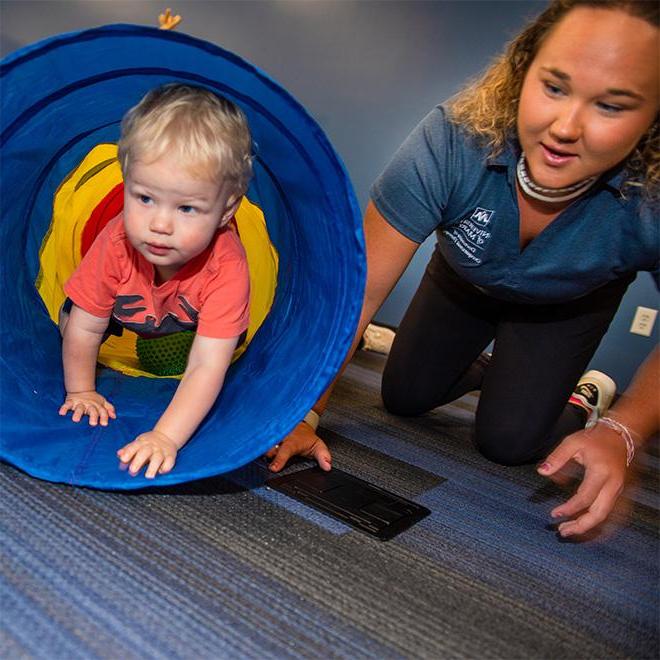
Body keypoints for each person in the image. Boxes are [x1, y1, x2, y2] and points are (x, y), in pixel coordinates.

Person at [268, 0, 659, 539]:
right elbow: (356, 296)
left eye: (612, 106)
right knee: (403, 397)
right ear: (523, 73)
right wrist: (304, 413)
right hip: (463, 283)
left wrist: (625, 431)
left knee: (508, 443)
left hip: (565, 307)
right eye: (554, 87)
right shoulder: (452, 140)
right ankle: (496, 370)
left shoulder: (653, 198)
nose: (565, 127)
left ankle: (581, 394)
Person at [58, 83, 252, 479]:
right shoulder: (115, 241)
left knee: (224, 345)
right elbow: (86, 325)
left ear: (225, 211)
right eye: (144, 198)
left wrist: (166, 436)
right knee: (72, 322)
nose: (159, 225)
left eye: (186, 207)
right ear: (126, 182)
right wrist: (81, 390)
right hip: (120, 308)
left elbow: (206, 365)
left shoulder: (227, 266)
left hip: (186, 317)